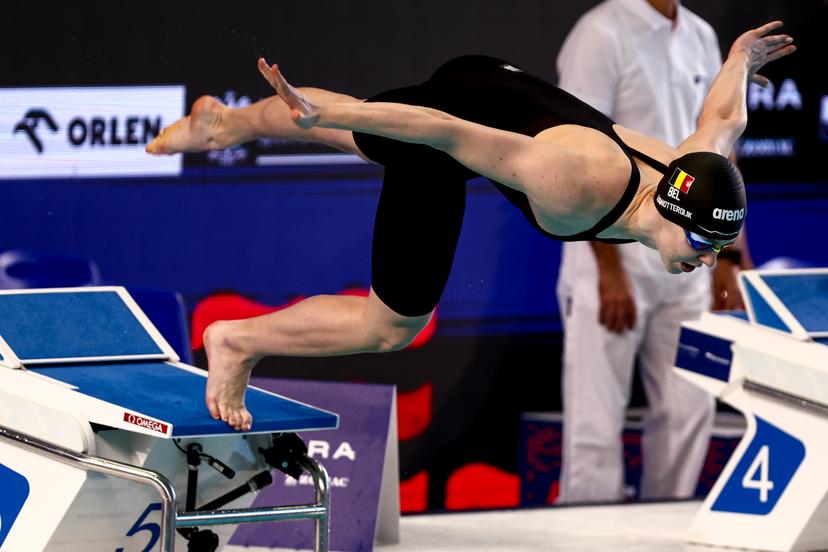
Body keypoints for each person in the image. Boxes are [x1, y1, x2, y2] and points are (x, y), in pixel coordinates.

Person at [147, 22, 794, 432]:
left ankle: (223, 124)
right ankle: (234, 340)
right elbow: (445, 130)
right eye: (705, 245)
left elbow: (722, 122)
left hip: (491, 81)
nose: (708, 260)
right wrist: (339, 114)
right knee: (392, 323)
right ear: (675, 212)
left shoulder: (693, 171)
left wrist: (738, 60)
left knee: (341, 124)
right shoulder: (576, 182)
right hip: (458, 122)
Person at [554, 0, 754, 503]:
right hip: (614, 247)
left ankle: (667, 529)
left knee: (689, 411)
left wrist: (729, 254)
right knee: (595, 420)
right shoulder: (600, 32)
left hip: (690, 252)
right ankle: (587, 536)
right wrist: (608, 267)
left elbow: (721, 153)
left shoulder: (701, 35)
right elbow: (575, 150)